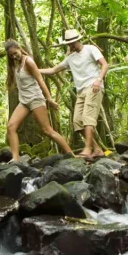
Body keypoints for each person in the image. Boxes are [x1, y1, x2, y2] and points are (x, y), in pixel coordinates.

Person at [39, 29, 109, 159]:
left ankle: (87, 149)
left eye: (72, 43)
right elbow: (53, 70)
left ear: (78, 40)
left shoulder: (90, 49)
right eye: (69, 44)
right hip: (81, 91)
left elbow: (104, 65)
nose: (71, 46)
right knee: (77, 121)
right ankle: (97, 149)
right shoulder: (70, 58)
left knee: (88, 118)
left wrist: (99, 80)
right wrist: (35, 70)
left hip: (93, 87)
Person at [3, 39, 73, 162]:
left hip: (35, 99)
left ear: (20, 48)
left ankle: (71, 154)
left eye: (15, 53)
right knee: (11, 127)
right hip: (24, 101)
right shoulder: (15, 64)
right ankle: (15, 159)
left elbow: (40, 80)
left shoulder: (28, 61)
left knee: (47, 130)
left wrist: (49, 99)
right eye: (11, 55)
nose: (14, 56)